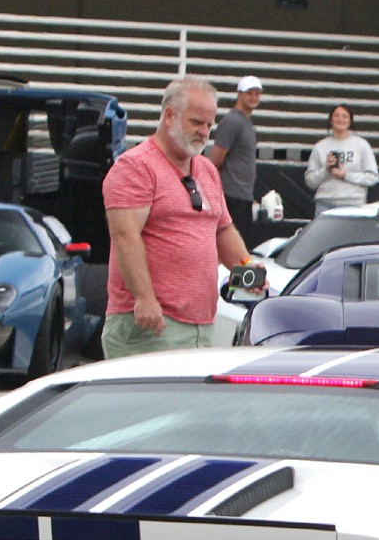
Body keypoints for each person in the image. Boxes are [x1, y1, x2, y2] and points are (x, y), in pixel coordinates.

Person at [100, 77, 263, 356]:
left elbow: (222, 230)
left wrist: (249, 274)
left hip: (202, 326)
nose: (204, 132)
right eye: (196, 122)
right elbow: (125, 235)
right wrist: (144, 298)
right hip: (150, 326)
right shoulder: (135, 167)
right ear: (169, 115)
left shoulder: (207, 170)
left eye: (209, 125)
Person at [208, 75, 261, 237]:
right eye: (249, 93)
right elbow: (216, 159)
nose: (253, 97)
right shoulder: (232, 121)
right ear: (239, 94)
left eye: (257, 93)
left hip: (244, 195)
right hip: (231, 195)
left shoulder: (246, 121)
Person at [304, 105, 379, 216]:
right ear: (330, 120)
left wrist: (346, 175)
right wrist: (326, 169)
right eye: (336, 116)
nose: (340, 119)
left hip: (353, 204)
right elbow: (310, 182)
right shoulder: (320, 146)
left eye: (345, 116)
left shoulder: (361, 145)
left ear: (350, 121)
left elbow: (373, 177)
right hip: (325, 204)